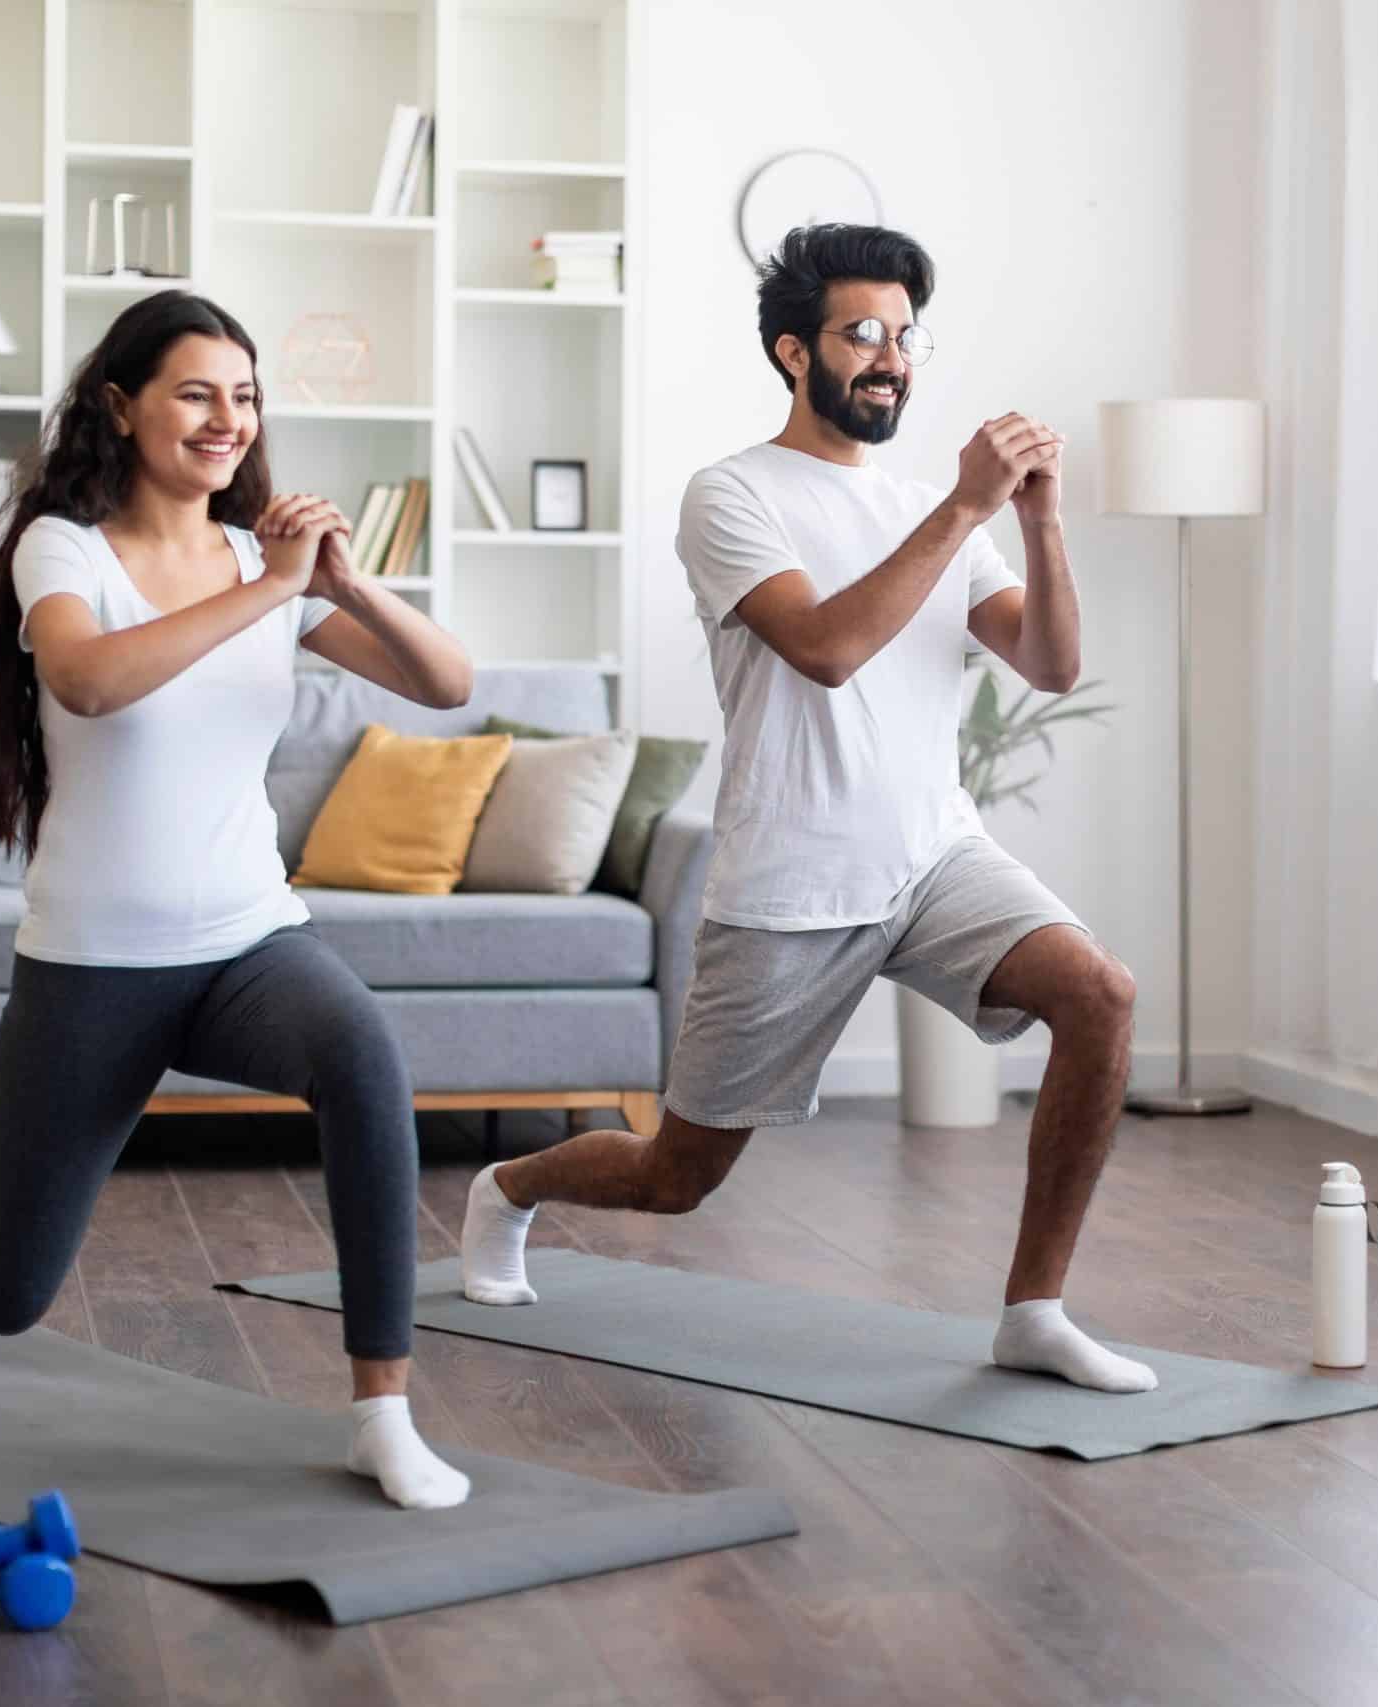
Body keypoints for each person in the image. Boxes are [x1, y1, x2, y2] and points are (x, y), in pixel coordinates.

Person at [462, 224, 1151, 1392]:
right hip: (790, 879)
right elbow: (826, 648)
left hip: (934, 855)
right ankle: (510, 1189)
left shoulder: (935, 506)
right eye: (862, 333)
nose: (890, 357)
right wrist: (964, 512)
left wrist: (1035, 515)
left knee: (1100, 994)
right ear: (795, 351)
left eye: (904, 334)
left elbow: (1050, 665)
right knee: (677, 1177)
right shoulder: (731, 495)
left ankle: (1033, 1310)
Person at [0, 291, 481, 1507]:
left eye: (244, 396)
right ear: (122, 407)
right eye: (195, 392)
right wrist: (271, 589)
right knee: (12, 1291)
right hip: (90, 966)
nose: (226, 420)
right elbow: (86, 680)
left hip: (248, 944)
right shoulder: (63, 548)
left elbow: (448, 682)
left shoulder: (261, 563)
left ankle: (380, 1411)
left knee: (366, 1059)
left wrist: (343, 582)